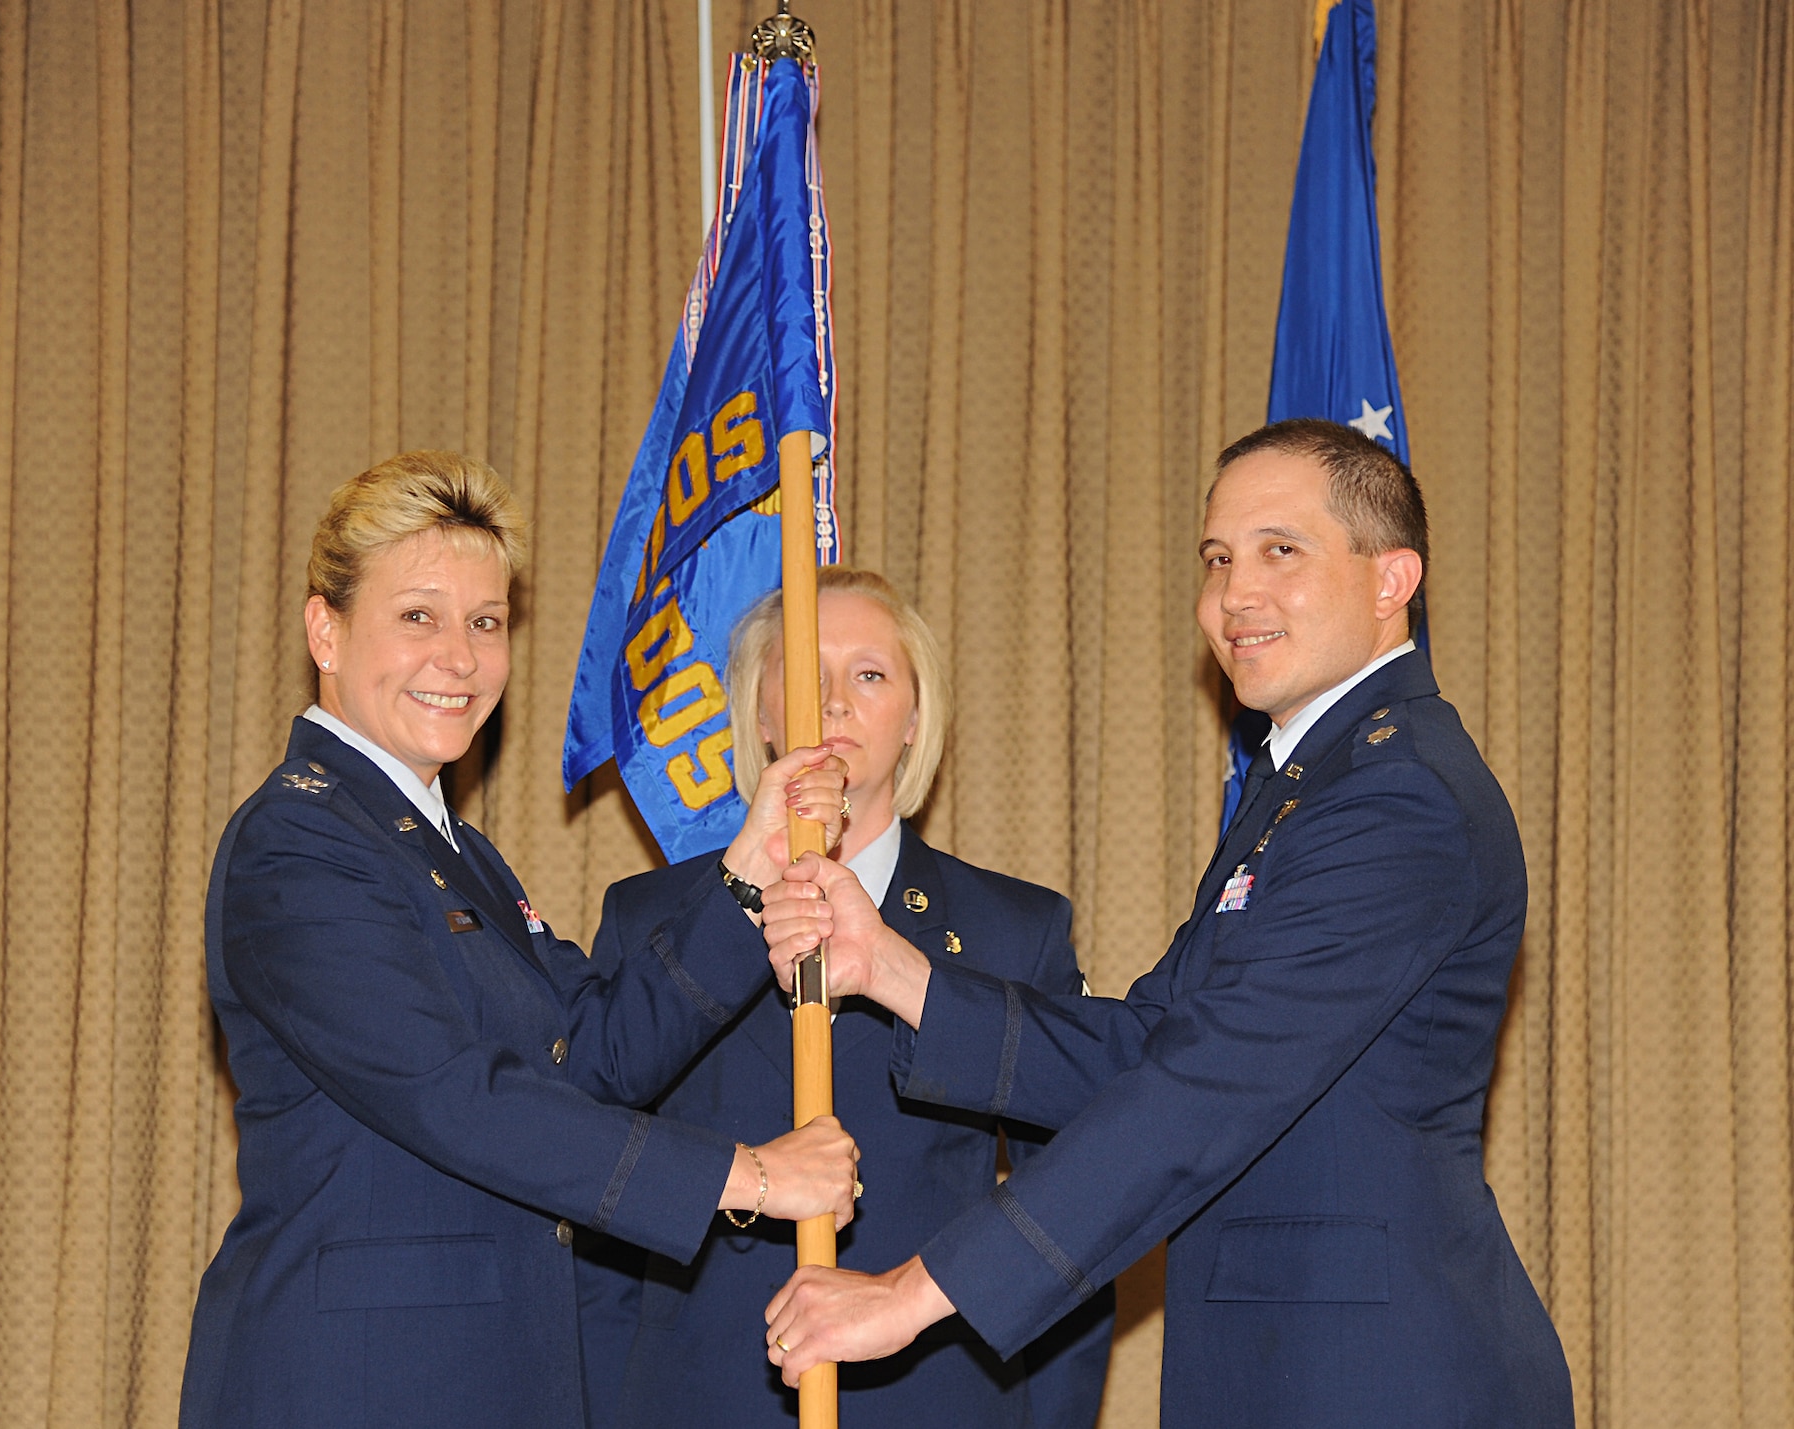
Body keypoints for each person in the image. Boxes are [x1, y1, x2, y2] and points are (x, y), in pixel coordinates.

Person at [755, 421, 1576, 1427]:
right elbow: (1149, 1046)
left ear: (1388, 578)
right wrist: (889, 969)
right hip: (1280, 1369)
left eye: (1282, 551)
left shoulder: (1394, 796)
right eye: (1217, 558)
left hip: (1377, 1378)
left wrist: (911, 1293)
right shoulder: (1303, 791)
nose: (1234, 593)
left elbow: (1202, 1087)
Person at [178, 451, 862, 1429]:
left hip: (495, 1378)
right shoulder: (297, 842)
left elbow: (590, 1052)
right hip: (353, 1386)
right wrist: (747, 1176)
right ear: (323, 629)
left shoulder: (460, 856)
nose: (457, 658)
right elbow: (455, 1096)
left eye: (484, 622)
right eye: (418, 615)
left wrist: (746, 872)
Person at [575, 568, 1114, 1428]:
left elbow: (1080, 1202)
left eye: (870, 674)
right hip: (695, 1395)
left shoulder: (1016, 930)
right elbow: (593, 1204)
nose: (832, 702)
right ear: (755, 713)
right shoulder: (651, 920)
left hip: (937, 1397)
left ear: (913, 717)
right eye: (803, 671)